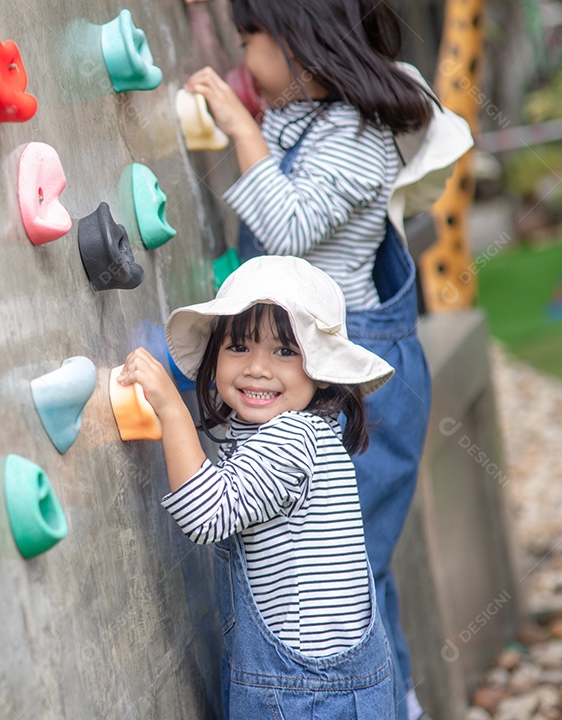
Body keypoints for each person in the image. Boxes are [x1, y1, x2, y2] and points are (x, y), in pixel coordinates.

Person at [184, 2, 473, 717]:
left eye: (250, 40)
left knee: (353, 575)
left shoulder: (358, 131)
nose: (243, 58)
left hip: (353, 376)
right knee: (354, 571)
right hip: (309, 373)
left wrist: (241, 127)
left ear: (299, 40)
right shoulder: (300, 113)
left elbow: (287, 226)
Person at [119, 256, 397, 718]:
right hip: (317, 685)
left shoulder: (294, 438)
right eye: (239, 347)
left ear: (321, 369)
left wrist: (170, 408)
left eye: (285, 352)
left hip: (306, 695)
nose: (258, 369)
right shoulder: (281, 427)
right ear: (215, 353)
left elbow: (207, 514)